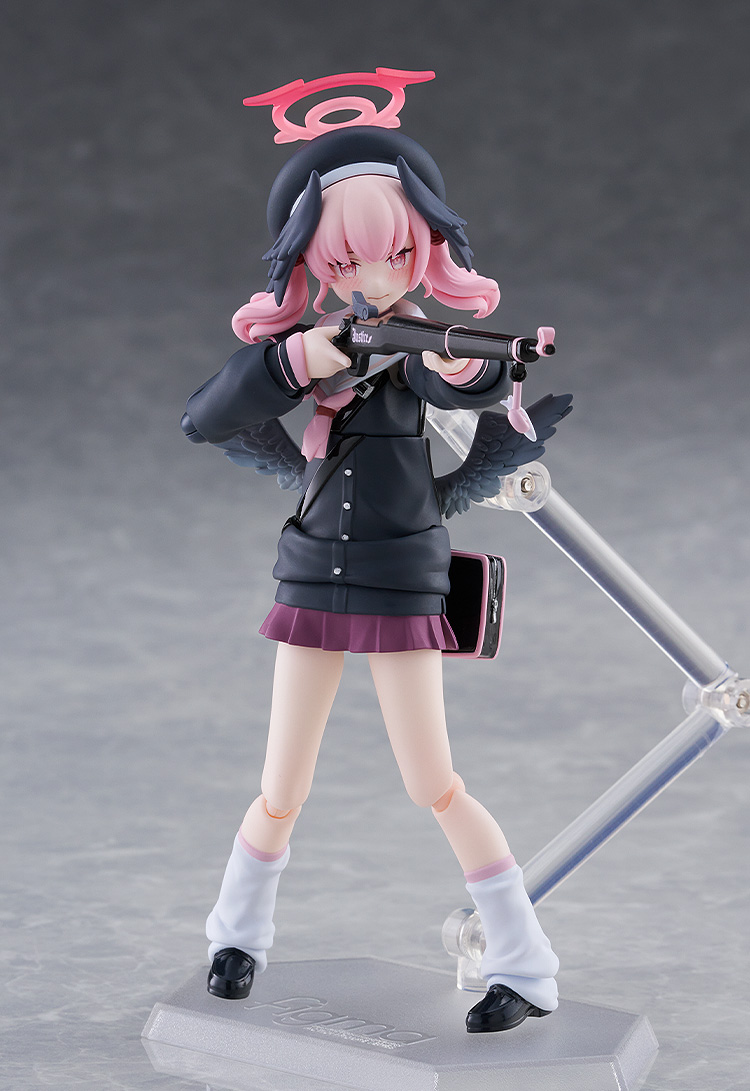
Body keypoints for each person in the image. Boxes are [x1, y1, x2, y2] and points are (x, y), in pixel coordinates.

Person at [181, 90, 559, 1033]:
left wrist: (473, 365)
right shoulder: (311, 350)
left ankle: (526, 965)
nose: (374, 276)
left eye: (394, 254)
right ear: (313, 261)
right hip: (312, 572)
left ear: (421, 251)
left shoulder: (413, 347)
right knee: (282, 784)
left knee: (434, 780)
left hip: (400, 580)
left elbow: (458, 374)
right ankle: (236, 937)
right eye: (347, 261)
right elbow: (205, 417)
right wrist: (294, 362)